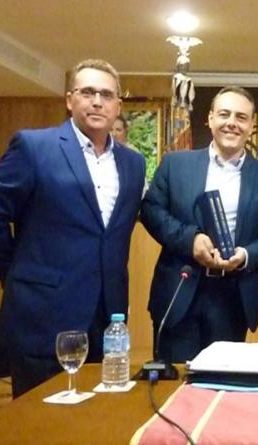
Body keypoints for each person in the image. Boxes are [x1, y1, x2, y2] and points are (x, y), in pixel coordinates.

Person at [0, 59, 146, 397]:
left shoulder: (133, 163)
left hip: (106, 320)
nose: (97, 102)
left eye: (106, 95)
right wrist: (13, 270)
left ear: (118, 105)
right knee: (39, 417)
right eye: (87, 92)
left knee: (98, 416)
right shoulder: (34, 147)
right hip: (42, 314)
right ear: (69, 100)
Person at [141, 86, 258, 363]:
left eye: (241, 117)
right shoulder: (175, 164)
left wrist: (245, 255)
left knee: (223, 379)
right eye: (224, 114)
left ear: (251, 126)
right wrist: (190, 240)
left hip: (233, 296)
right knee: (176, 382)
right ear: (210, 118)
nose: (232, 123)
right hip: (180, 289)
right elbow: (151, 211)